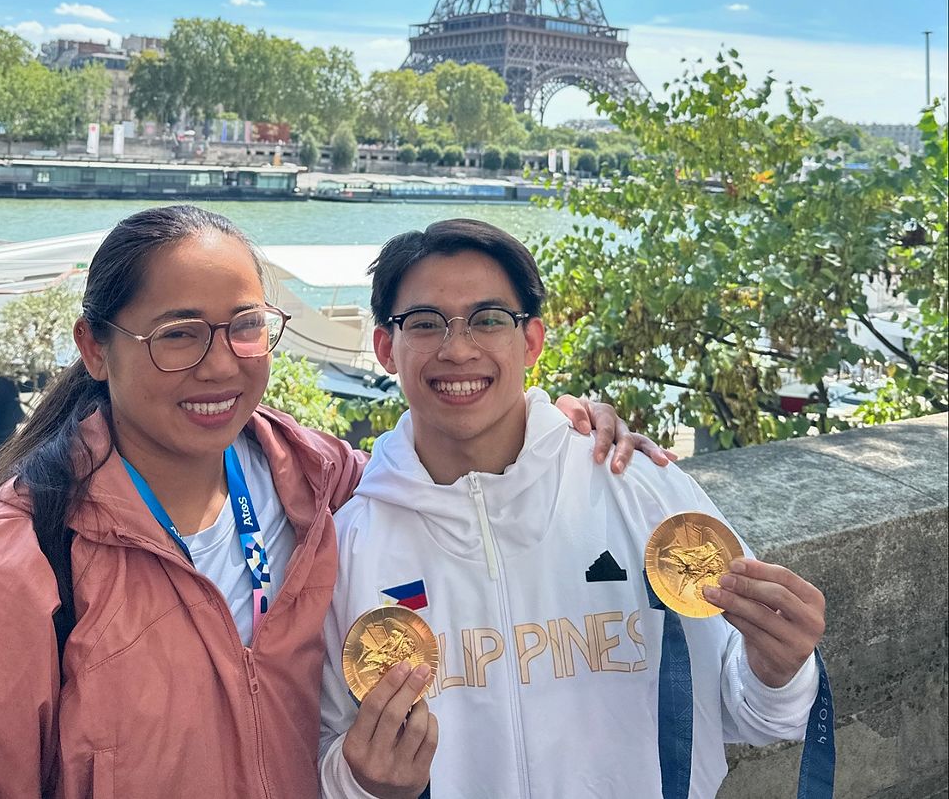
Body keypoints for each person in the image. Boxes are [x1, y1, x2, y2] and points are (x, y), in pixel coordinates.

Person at [0, 205, 667, 799]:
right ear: (94, 348)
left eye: (245, 327)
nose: (221, 366)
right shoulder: (3, 583)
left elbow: (448, 476)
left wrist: (555, 428)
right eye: (178, 333)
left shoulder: (325, 490)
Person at [318, 219, 828, 799]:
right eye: (425, 323)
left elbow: (752, 715)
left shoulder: (639, 489)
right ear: (387, 346)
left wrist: (781, 669)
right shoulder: (351, 544)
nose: (457, 349)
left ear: (531, 339)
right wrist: (362, 783)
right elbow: (322, 750)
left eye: (488, 319)